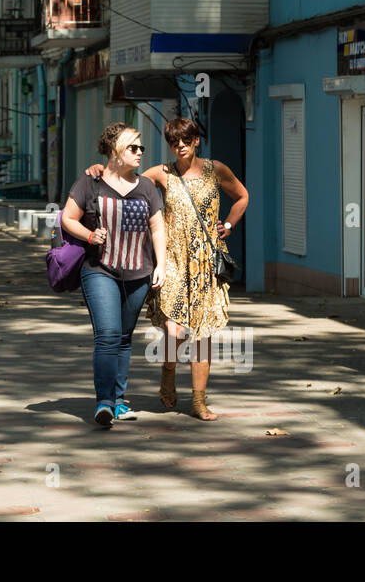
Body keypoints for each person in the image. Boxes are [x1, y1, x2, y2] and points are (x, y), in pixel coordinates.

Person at [86, 117, 248, 420]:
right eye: (175, 142)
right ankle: (169, 369)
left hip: (205, 262)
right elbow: (124, 177)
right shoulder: (162, 173)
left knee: (202, 333)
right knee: (175, 330)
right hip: (172, 259)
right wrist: (99, 169)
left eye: (186, 140)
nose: (181, 146)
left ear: (196, 141)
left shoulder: (217, 170)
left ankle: (198, 401)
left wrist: (228, 224)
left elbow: (242, 197)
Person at [61, 122, 166, 428]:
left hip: (139, 272)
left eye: (141, 147)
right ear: (115, 151)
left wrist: (161, 265)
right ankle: (104, 402)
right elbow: (68, 217)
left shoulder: (146, 187)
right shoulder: (90, 183)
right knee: (107, 335)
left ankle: (119, 401)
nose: (140, 152)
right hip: (100, 270)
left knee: (123, 338)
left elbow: (158, 227)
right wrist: (90, 235)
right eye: (133, 147)